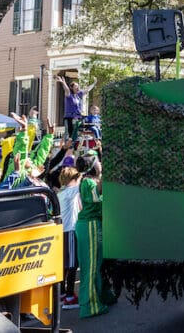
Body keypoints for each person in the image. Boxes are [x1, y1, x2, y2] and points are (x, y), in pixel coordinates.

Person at [75, 153, 109, 318]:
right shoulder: (88, 182)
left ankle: (101, 297)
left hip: (92, 225)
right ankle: (90, 306)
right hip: (89, 226)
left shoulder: (90, 181)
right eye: (99, 162)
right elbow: (97, 195)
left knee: (96, 266)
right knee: (90, 268)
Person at [57, 166, 82, 310]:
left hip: (63, 231)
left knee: (64, 265)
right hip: (70, 231)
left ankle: (62, 293)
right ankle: (69, 297)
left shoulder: (62, 192)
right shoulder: (70, 192)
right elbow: (81, 183)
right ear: (71, 179)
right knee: (72, 265)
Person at [58, 74, 97, 143]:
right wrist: (63, 83)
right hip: (70, 118)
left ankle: (77, 146)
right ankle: (68, 149)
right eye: (76, 86)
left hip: (78, 118)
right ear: (72, 88)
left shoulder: (78, 95)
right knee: (70, 135)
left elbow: (87, 90)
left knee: (77, 134)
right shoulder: (69, 96)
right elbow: (66, 90)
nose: (78, 87)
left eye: (78, 86)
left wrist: (94, 83)